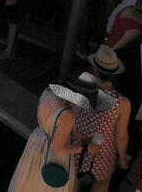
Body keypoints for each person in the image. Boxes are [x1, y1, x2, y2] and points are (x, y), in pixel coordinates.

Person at [7, 75, 104, 191]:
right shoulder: (68, 115)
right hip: (52, 158)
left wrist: (84, 137)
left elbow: (56, 127)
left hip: (37, 145)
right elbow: (58, 148)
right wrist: (86, 148)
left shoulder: (48, 93)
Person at [76, 50, 130, 191]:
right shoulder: (122, 103)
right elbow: (121, 136)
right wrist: (123, 158)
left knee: (72, 183)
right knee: (101, 184)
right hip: (103, 153)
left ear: (95, 70)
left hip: (78, 145)